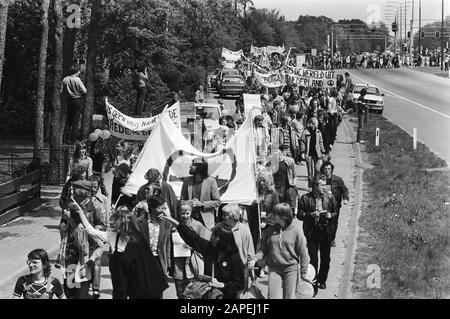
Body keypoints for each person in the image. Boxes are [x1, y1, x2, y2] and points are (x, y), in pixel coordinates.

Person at [77, 205, 169, 298]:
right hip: (120, 286)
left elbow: (146, 268)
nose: (111, 222)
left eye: (115, 220)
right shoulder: (112, 236)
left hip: (138, 286)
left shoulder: (137, 240)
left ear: (123, 222)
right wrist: (81, 213)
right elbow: (91, 231)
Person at [161, 206, 246, 299]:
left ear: (224, 239)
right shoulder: (210, 248)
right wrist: (172, 220)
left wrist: (222, 285)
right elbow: (192, 237)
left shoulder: (234, 257)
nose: (211, 238)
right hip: (209, 295)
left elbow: (239, 283)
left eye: (215, 236)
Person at [248, 203, 311, 299]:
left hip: (291, 269)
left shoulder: (296, 230)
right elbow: (262, 250)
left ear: (283, 216)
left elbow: (303, 253)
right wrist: (254, 259)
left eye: (275, 213)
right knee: (272, 297)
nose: (272, 215)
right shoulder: (269, 231)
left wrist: (303, 272)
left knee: (289, 297)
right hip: (274, 269)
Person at [60, 180, 105, 299]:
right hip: (72, 249)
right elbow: (63, 224)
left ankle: (84, 293)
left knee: (83, 279)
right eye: (73, 189)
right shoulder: (69, 204)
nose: (73, 191)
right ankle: (71, 295)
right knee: (70, 282)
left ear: (84, 191)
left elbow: (100, 223)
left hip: (86, 250)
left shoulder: (93, 205)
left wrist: (95, 230)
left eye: (76, 189)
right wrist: (64, 226)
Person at [297, 174, 338, 290]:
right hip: (312, 232)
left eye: (325, 185)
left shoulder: (330, 197)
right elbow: (299, 215)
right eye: (321, 185)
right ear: (315, 185)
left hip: (326, 231)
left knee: (326, 258)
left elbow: (335, 212)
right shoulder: (305, 198)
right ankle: (313, 283)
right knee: (313, 259)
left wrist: (331, 215)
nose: (324, 187)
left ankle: (322, 279)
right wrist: (311, 215)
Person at [172, 201, 207, 298]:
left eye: (187, 213)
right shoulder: (173, 224)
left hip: (192, 264)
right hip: (177, 263)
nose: (185, 216)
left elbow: (203, 244)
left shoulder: (198, 225)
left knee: (191, 293)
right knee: (180, 293)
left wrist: (193, 247)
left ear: (191, 212)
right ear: (178, 212)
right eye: (182, 213)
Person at [136, 196, 173, 277]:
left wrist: (168, 264)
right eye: (161, 209)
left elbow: (167, 245)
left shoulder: (166, 223)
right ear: (152, 208)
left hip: (160, 260)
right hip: (143, 260)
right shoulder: (139, 222)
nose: (164, 211)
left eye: (165, 208)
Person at [180, 159, 221, 229]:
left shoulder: (211, 181)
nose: (190, 166)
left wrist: (201, 204)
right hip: (189, 221)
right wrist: (188, 203)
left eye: (193, 165)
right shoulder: (187, 180)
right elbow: (182, 201)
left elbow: (217, 202)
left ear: (200, 168)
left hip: (206, 223)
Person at [320, 161, 349, 247]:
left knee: (333, 223)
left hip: (335, 205)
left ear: (332, 170)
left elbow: (345, 190)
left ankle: (332, 239)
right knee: (321, 222)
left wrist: (345, 199)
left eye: (329, 169)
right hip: (322, 204)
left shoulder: (338, 179)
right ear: (322, 170)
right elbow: (314, 190)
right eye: (325, 169)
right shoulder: (319, 179)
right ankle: (321, 240)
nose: (327, 171)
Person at [62, 66, 87, 143]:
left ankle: (65, 139)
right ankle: (73, 140)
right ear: (76, 72)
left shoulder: (65, 79)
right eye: (78, 72)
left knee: (68, 121)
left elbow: (61, 90)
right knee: (75, 121)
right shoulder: (77, 80)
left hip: (69, 101)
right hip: (77, 100)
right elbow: (85, 91)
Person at [300, 117, 325, 188]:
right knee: (310, 172)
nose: (315, 125)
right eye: (314, 123)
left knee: (317, 170)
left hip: (317, 154)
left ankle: (316, 185)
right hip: (309, 154)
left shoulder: (318, 132)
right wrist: (302, 152)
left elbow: (320, 142)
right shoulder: (305, 132)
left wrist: (322, 151)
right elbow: (302, 142)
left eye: (315, 124)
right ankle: (311, 187)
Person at [271, 144, 297, 212]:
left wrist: (293, 183)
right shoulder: (272, 162)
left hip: (286, 187)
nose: (274, 153)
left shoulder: (290, 161)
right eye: (273, 152)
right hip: (276, 187)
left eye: (276, 151)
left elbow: (294, 174)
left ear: (281, 151)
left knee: (286, 208)